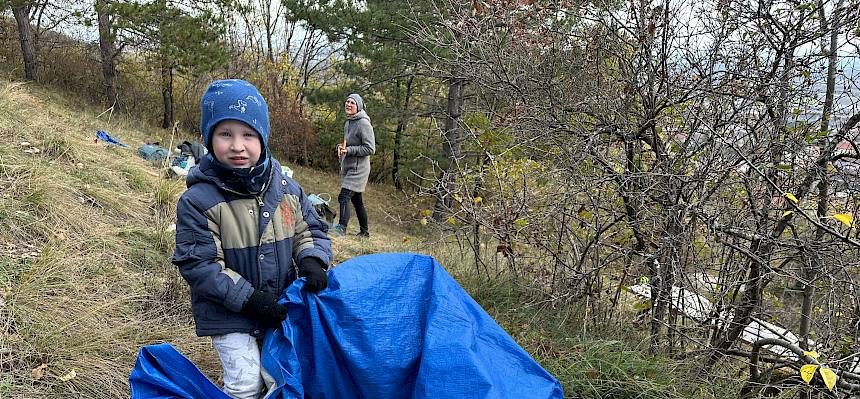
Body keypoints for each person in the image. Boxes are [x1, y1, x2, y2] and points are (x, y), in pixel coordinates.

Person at [172, 79, 332, 399]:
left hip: (278, 305)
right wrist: (250, 300)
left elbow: (308, 230)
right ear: (208, 138)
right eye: (225, 134)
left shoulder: (285, 189)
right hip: (230, 313)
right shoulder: (198, 201)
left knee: (279, 376)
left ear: (263, 137)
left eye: (248, 134)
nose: (237, 146)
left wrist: (313, 260)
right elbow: (200, 265)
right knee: (246, 383)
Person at [332, 93, 375, 237]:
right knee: (357, 201)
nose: (348, 104)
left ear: (359, 107)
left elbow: (370, 148)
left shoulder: (363, 123)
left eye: (352, 103)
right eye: (347, 101)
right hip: (349, 166)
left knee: (344, 196)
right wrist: (341, 147)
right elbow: (348, 143)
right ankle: (365, 232)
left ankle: (342, 227)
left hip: (359, 169)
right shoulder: (349, 122)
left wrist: (349, 150)